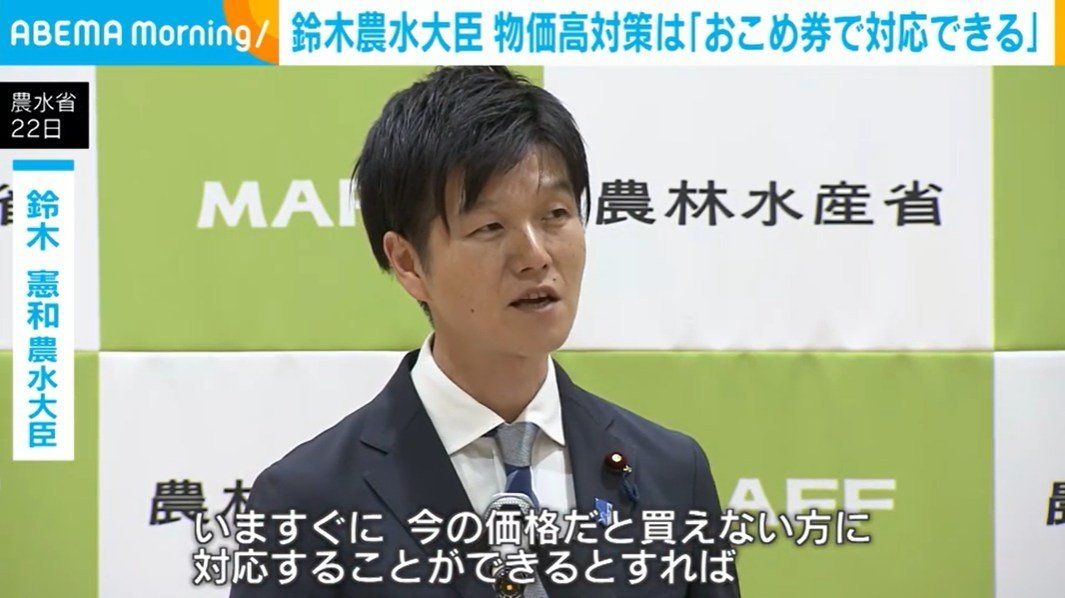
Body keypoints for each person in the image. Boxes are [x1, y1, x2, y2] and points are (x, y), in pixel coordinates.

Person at [230, 66, 739, 597]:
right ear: (407, 262)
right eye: (490, 227)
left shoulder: (671, 474)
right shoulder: (307, 504)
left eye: (555, 214)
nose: (535, 256)